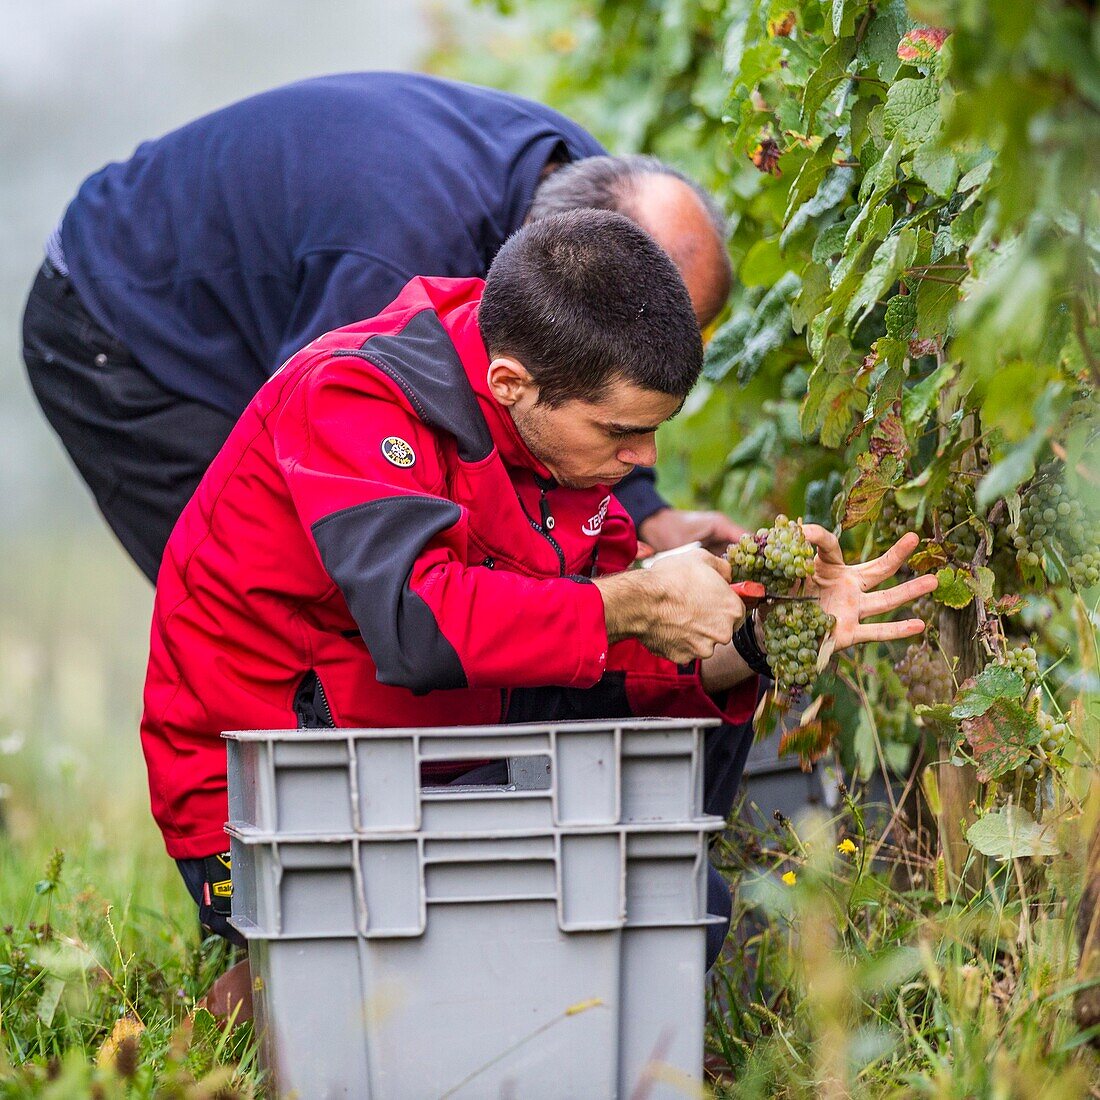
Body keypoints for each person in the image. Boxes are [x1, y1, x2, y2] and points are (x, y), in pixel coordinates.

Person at [141, 209, 936, 1013]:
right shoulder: (351, 397)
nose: (644, 461)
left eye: (655, 433)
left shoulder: (555, 439)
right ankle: (268, 992)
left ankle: (337, 988)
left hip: (433, 750)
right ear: (511, 382)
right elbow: (416, 623)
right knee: (486, 979)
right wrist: (635, 599)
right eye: (623, 432)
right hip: (262, 805)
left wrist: (758, 638)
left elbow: (614, 651)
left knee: (654, 906)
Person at [20, 72, 740, 584]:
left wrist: (649, 516)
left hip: (272, 279)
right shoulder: (391, 266)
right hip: (113, 324)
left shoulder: (587, 189)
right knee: (287, 591)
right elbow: (335, 469)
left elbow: (587, 386)